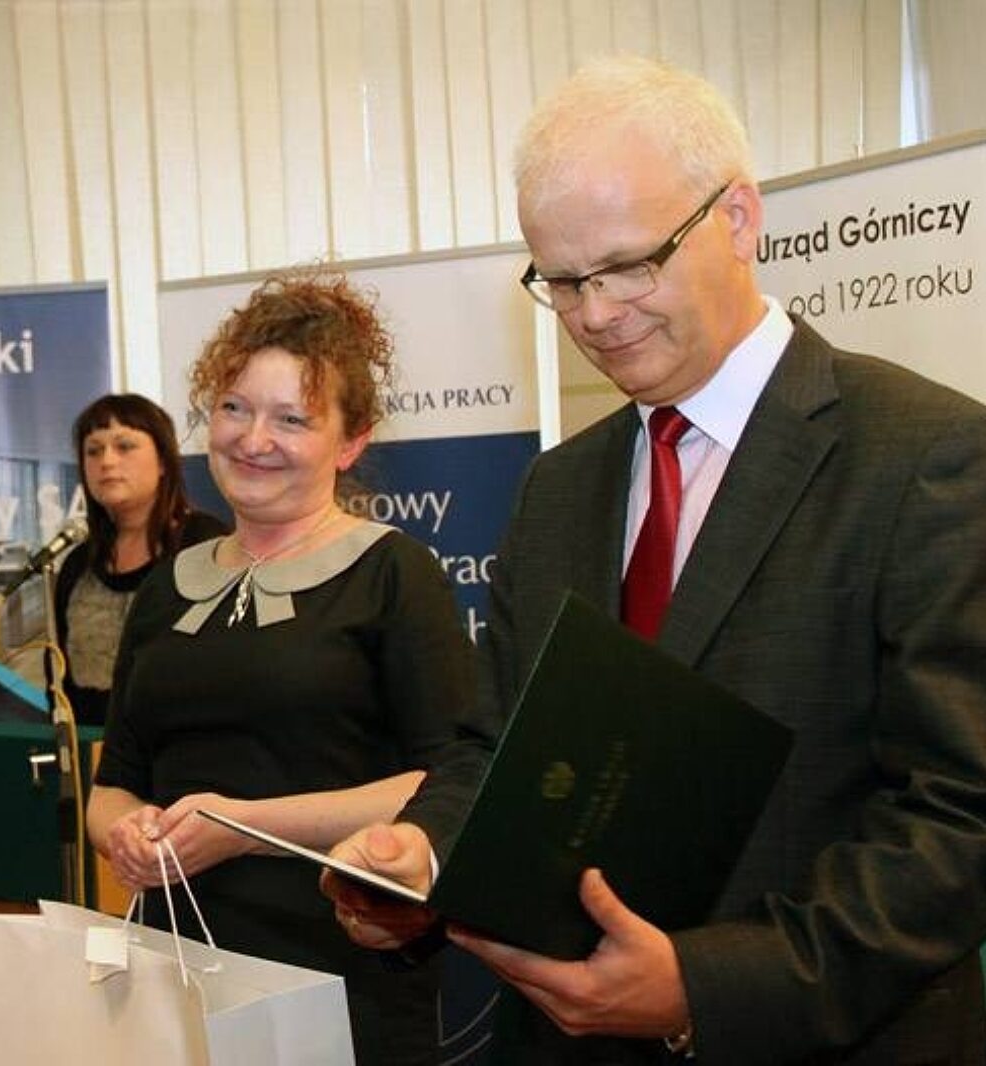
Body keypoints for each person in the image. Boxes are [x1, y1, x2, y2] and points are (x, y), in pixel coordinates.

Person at [324, 55, 986, 1064]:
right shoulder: (557, 488)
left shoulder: (924, 453)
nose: (594, 314)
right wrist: (419, 855)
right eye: (561, 281)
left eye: (629, 265)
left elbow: (958, 817)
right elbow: (493, 747)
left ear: (738, 220)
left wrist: (701, 987)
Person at [86, 271, 482, 1066]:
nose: (252, 439)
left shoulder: (393, 574)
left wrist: (240, 830)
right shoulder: (169, 586)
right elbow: (115, 784)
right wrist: (125, 836)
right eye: (235, 408)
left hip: (337, 972)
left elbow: (451, 776)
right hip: (174, 978)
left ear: (351, 441)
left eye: (291, 418)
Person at [52, 393, 226, 726]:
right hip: (95, 749)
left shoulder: (205, 544)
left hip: (190, 746)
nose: (107, 461)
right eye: (93, 451)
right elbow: (60, 683)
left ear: (163, 462)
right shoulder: (77, 563)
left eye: (124, 446)